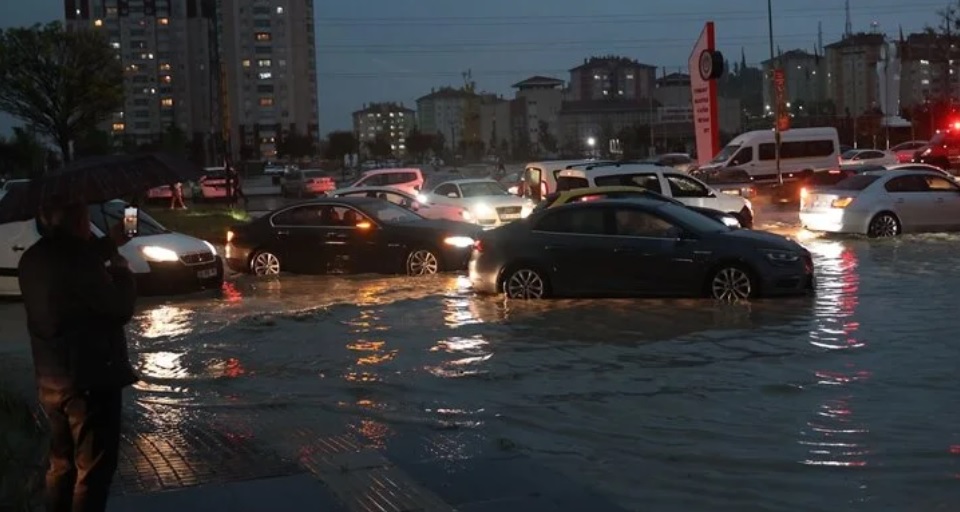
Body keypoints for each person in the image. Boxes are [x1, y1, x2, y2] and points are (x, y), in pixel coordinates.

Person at [18, 201, 138, 512]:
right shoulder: (80, 262)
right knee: (92, 470)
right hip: (90, 379)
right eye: (85, 215)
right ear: (79, 221)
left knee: (61, 464)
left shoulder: (33, 258)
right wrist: (123, 273)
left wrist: (110, 243)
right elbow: (118, 308)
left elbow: (72, 269)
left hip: (51, 379)